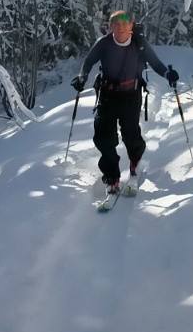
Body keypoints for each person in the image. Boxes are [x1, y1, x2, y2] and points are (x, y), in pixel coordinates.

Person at [72, 10, 180, 194]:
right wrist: (82, 77)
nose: (121, 27)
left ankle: (135, 159)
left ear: (131, 25)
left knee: (130, 132)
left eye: (125, 23)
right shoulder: (104, 43)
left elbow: (156, 63)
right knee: (103, 136)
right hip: (107, 94)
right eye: (116, 23)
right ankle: (111, 175)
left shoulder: (139, 43)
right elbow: (88, 61)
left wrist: (167, 74)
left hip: (131, 94)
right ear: (110, 26)